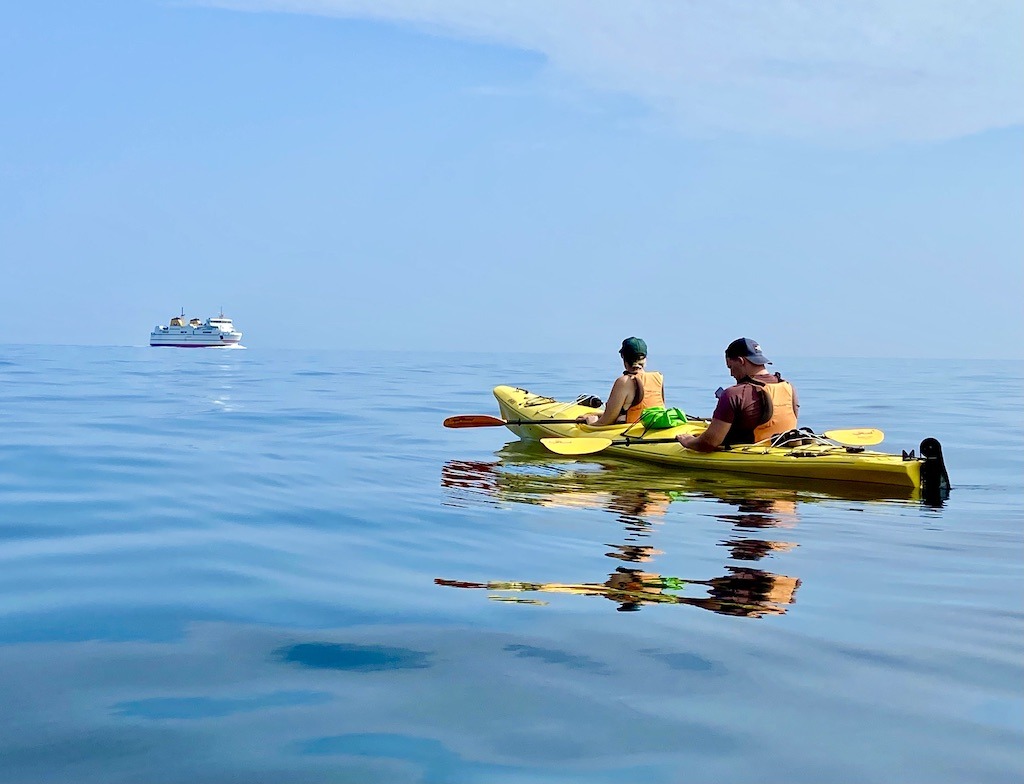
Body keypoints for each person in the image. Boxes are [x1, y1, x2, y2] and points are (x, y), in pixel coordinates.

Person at [676, 337, 798, 451]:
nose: (731, 374)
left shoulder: (733, 394)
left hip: (749, 455)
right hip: (782, 449)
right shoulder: (789, 387)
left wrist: (689, 441)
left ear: (741, 361)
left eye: (730, 367)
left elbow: (709, 443)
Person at [577, 337, 665, 426]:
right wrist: (596, 414)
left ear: (623, 357)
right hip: (652, 427)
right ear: (645, 358)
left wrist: (591, 422)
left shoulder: (624, 381)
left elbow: (605, 422)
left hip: (630, 431)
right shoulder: (658, 377)